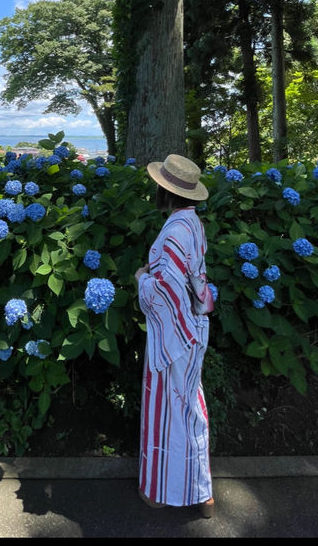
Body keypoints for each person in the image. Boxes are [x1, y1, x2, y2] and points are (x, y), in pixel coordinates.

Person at [134, 153, 215, 518]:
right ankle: (203, 493)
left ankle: (161, 491)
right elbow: (194, 278)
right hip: (195, 327)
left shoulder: (174, 230)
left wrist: (141, 280)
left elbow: (165, 289)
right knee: (191, 409)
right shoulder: (193, 223)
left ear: (164, 191)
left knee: (167, 412)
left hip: (174, 334)